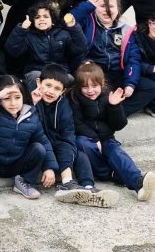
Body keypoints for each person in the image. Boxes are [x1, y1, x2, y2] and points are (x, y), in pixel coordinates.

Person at [30, 64, 118, 208]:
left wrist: (70, 149)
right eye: (48, 85)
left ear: (63, 91)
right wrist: (49, 166)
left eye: (57, 88)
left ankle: (89, 189)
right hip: (37, 148)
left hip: (57, 146)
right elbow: (36, 136)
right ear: (39, 83)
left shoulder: (64, 104)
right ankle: (67, 184)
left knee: (78, 152)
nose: (51, 91)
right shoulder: (29, 102)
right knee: (54, 145)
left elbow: (68, 134)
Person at [69, 61, 155, 202]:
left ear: (102, 84)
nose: (90, 90)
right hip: (86, 139)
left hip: (107, 138)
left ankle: (138, 183)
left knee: (115, 151)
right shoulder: (74, 98)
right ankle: (113, 174)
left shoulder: (109, 96)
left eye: (94, 86)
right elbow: (76, 123)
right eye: (85, 87)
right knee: (84, 145)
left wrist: (114, 106)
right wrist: (94, 138)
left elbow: (120, 124)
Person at [0, 75, 56, 203]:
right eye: (7, 98)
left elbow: (43, 141)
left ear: (23, 96)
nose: (13, 103)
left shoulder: (31, 116)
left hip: (16, 164)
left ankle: (24, 182)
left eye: (18, 97)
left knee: (38, 148)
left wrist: (49, 167)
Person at [70, 0, 155, 116]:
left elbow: (133, 59)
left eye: (111, 6)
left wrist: (130, 83)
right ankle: (105, 112)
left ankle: (114, 114)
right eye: (102, 6)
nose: (107, 10)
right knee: (100, 93)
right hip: (94, 74)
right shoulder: (87, 22)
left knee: (150, 87)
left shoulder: (126, 30)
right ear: (94, 7)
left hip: (116, 73)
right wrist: (86, 6)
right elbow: (69, 19)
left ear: (118, 9)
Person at [4, 2, 87, 91]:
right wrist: (22, 29)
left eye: (46, 17)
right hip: (37, 71)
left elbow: (80, 47)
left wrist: (73, 27)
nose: (42, 19)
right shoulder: (29, 36)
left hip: (59, 71)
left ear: (53, 21)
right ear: (33, 21)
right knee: (35, 76)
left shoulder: (63, 34)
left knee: (70, 79)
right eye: (37, 17)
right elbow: (13, 50)